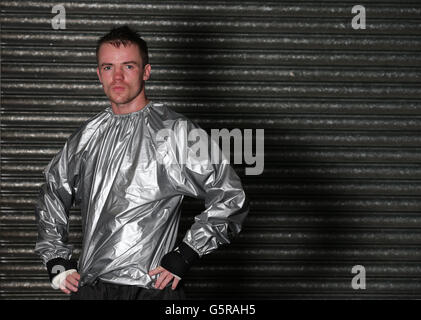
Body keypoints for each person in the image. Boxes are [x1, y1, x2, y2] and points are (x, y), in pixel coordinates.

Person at [34, 25, 249, 300]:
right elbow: (52, 191)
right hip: (92, 288)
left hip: (152, 288)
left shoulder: (176, 132)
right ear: (99, 74)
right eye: (108, 67)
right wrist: (55, 258)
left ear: (146, 71)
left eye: (129, 66)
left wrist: (187, 253)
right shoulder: (87, 136)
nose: (118, 77)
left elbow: (230, 195)